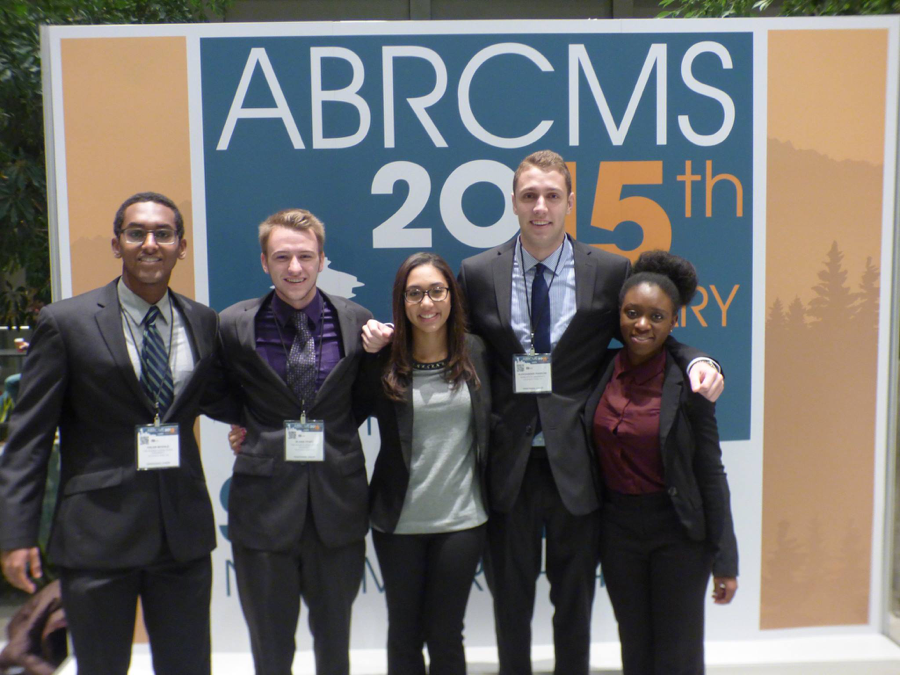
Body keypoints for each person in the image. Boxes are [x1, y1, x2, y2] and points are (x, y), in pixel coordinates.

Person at [363, 150, 725, 675]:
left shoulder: (610, 270)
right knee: (511, 607)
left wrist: (700, 358)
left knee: (573, 606)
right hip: (505, 464)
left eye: (552, 196)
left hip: (577, 466)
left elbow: (646, 336)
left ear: (570, 202)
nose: (540, 207)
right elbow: (441, 336)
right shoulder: (477, 271)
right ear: (513, 201)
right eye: (529, 195)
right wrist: (386, 336)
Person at [0, 192, 227, 675]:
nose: (150, 244)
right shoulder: (66, 323)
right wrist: (16, 533)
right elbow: (29, 437)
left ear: (181, 247)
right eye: (136, 233)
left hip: (181, 535)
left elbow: (220, 397)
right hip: (97, 535)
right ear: (116, 243)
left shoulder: (203, 321)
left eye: (162, 234)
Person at [217, 208, 372, 675]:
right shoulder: (234, 324)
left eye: (305, 256)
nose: (295, 268)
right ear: (265, 262)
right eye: (282, 257)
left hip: (337, 506)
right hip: (262, 510)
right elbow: (215, 388)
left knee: (335, 646)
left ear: (323, 259)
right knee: (270, 648)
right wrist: (244, 421)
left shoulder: (356, 321)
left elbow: (362, 399)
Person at [584, 250, 738, 675]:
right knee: (634, 647)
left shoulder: (691, 381)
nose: (641, 325)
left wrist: (725, 559)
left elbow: (710, 470)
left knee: (678, 653)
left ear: (674, 322)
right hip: (618, 534)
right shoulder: (600, 368)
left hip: (678, 534)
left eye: (656, 316)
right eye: (632, 313)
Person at [357, 252, 491, 674]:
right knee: (404, 633)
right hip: (398, 523)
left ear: (452, 296)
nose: (427, 303)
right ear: (401, 301)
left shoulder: (476, 351)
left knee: (446, 633)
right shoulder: (382, 360)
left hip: (461, 521)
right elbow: (340, 413)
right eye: (415, 294)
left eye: (436, 291)